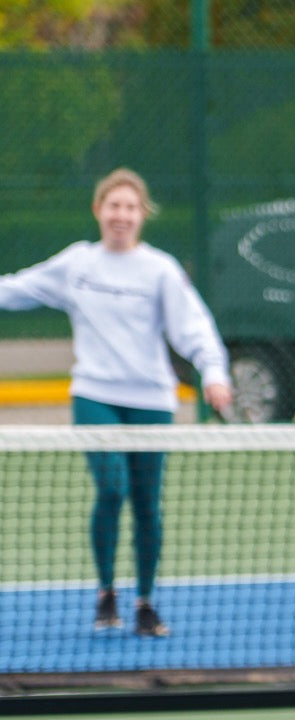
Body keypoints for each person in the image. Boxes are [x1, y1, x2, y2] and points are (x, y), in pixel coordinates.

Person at [0, 168, 233, 634]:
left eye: (130, 207)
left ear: (141, 214)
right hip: (95, 395)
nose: (121, 215)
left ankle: (145, 602)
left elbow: (194, 327)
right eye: (113, 206)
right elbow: (17, 288)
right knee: (111, 488)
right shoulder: (76, 265)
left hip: (151, 400)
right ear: (98, 210)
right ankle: (106, 594)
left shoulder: (160, 270)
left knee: (147, 501)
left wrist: (213, 372)